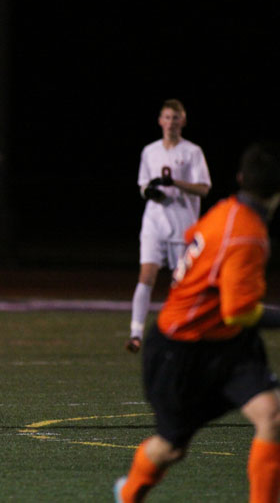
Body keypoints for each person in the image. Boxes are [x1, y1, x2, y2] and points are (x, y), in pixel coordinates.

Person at [114, 143, 280, 503]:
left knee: (272, 415)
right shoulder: (248, 234)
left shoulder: (225, 211)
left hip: (226, 343)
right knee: (171, 448)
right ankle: (127, 495)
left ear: (240, 180)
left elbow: (196, 246)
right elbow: (239, 312)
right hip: (181, 348)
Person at [127, 99, 211, 353]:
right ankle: (135, 333)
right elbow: (143, 186)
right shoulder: (149, 151)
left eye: (176, 118)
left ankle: (185, 330)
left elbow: (204, 188)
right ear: (160, 121)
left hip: (183, 225)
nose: (171, 122)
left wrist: (174, 183)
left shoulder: (192, 152)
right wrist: (150, 192)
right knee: (146, 275)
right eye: (167, 117)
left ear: (183, 121)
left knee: (182, 283)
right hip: (154, 223)